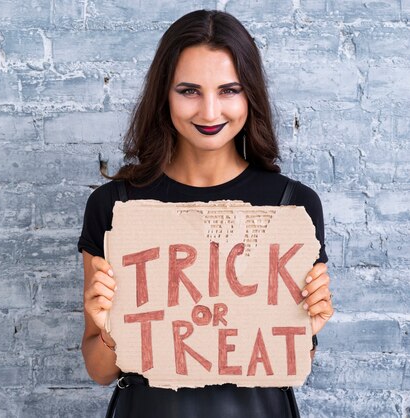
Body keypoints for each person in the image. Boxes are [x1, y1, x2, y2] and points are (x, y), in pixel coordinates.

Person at [77, 9, 334, 418]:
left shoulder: (292, 206)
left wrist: (307, 330)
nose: (210, 112)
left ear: (250, 94)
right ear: (164, 93)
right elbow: (100, 370)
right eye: (189, 91)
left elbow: (285, 360)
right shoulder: (115, 206)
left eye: (229, 90)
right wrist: (108, 330)